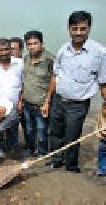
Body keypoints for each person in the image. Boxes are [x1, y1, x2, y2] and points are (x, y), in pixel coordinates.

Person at [50, 11, 106, 173]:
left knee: (72, 136)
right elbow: (55, 75)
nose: (78, 33)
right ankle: (56, 159)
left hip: (78, 105)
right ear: (69, 29)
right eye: (74, 29)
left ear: (89, 29)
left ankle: (71, 164)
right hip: (58, 100)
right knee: (55, 133)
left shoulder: (99, 52)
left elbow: (103, 82)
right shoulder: (63, 48)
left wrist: (104, 108)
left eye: (83, 28)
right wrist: (48, 100)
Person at [21, 31, 55, 157]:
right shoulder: (26, 58)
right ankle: (30, 150)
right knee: (29, 130)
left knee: (42, 131)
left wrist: (47, 102)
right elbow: (24, 81)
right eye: (29, 44)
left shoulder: (49, 59)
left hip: (41, 105)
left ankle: (42, 154)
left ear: (42, 43)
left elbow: (54, 80)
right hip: (27, 103)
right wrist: (20, 101)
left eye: (35, 43)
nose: (32, 46)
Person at [0, 38, 23, 151]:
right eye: (0, 50)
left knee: (13, 130)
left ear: (11, 50)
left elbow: (24, 84)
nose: (4, 52)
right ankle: (1, 152)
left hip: (15, 106)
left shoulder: (20, 64)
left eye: (7, 49)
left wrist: (21, 101)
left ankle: (13, 151)